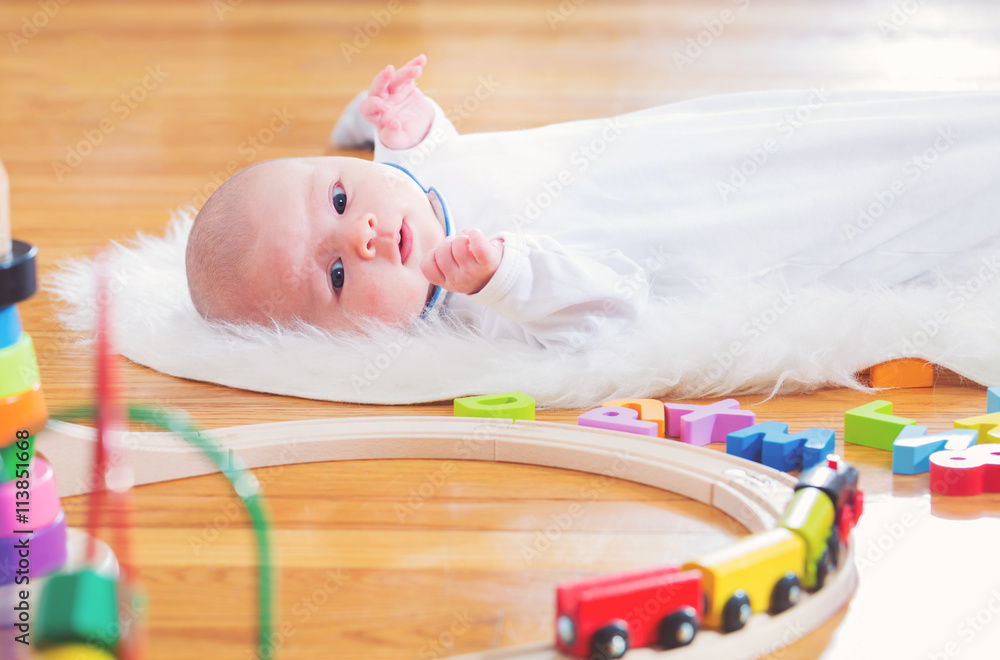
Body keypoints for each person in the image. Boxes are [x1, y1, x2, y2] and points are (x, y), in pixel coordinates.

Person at [185, 55, 1000, 350]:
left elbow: (428, 168)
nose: (361, 233)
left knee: (841, 133)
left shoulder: (407, 196)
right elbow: (612, 309)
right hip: (707, 227)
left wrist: (406, 124)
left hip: (678, 152)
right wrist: (504, 276)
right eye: (333, 275)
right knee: (894, 197)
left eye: (335, 195)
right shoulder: (469, 310)